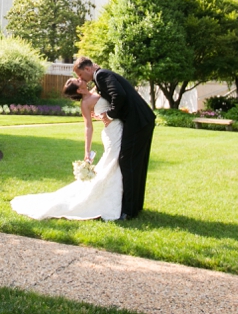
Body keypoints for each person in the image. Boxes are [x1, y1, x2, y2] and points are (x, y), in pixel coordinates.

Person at [10, 77, 123, 221]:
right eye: (77, 80)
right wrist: (87, 152)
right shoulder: (85, 103)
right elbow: (88, 127)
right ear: (78, 89)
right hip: (111, 133)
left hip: (117, 129)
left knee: (112, 165)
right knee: (112, 164)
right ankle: (105, 200)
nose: (81, 79)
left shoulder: (95, 90)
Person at [73, 56, 155, 219]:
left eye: (81, 75)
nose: (80, 79)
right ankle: (134, 206)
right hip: (140, 120)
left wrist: (109, 115)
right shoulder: (100, 77)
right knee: (134, 162)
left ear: (88, 69)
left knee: (128, 162)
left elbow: (119, 95)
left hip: (137, 121)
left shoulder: (101, 75)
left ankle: (129, 211)